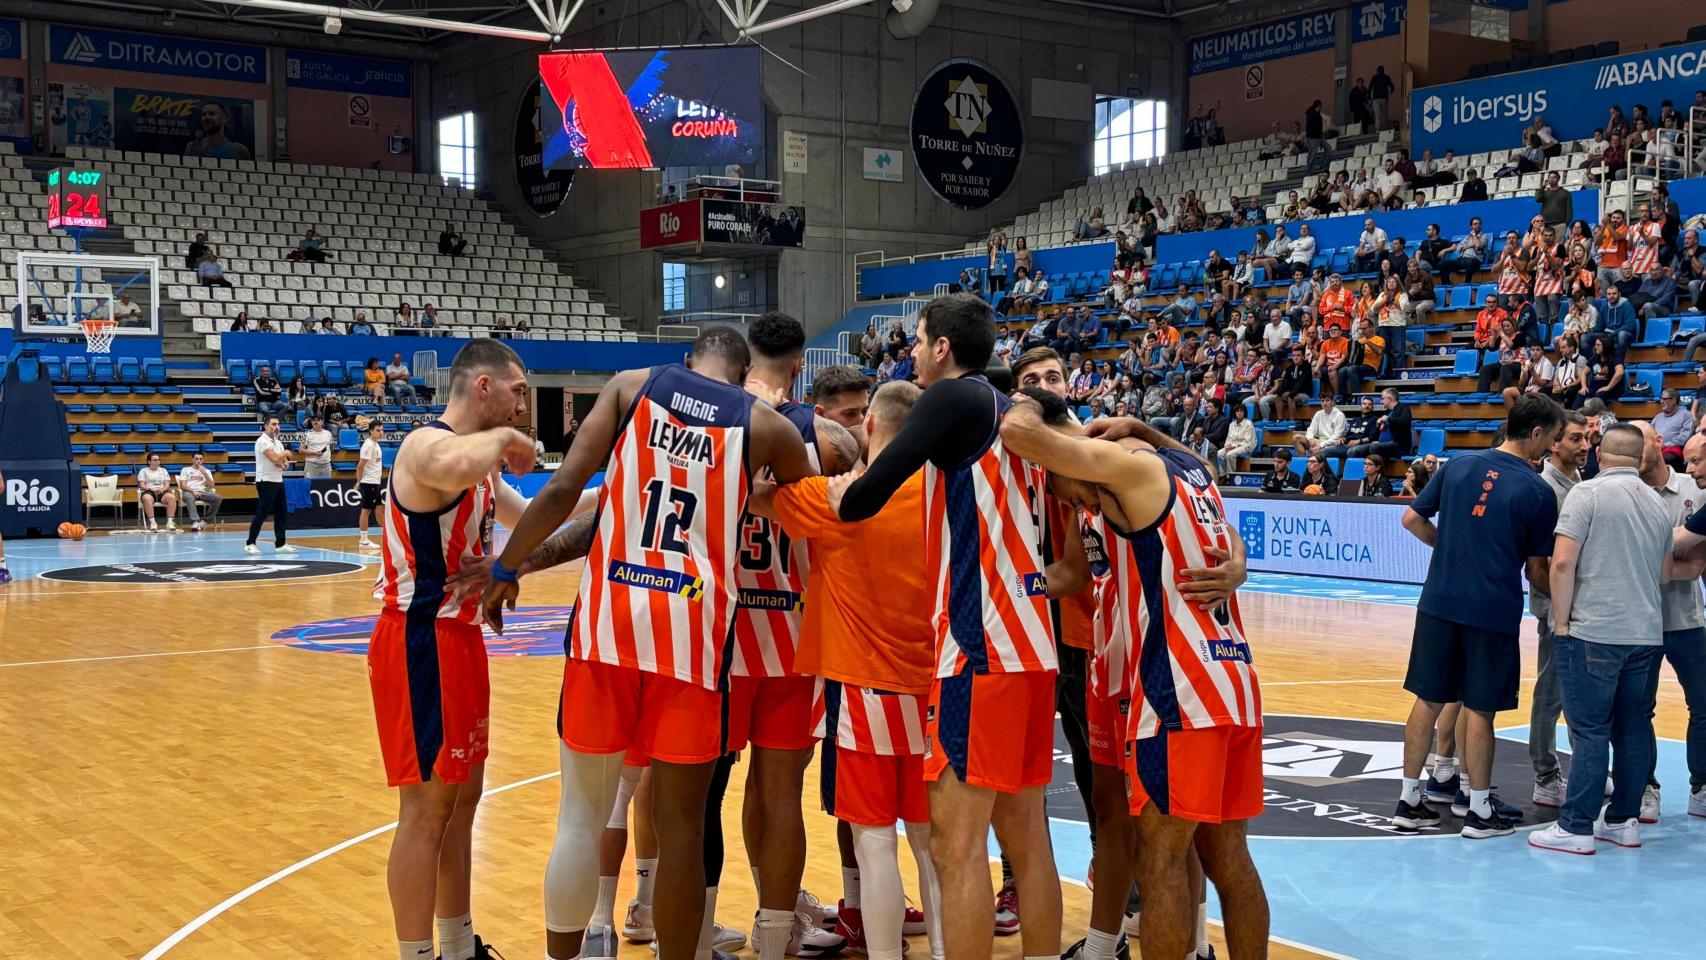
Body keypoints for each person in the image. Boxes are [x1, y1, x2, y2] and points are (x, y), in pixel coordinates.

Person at [479, 329, 815, 960]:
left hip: (607, 630)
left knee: (580, 815)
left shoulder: (632, 386)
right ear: (743, 374)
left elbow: (558, 492)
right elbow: (812, 505)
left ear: (687, 360)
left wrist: (506, 569)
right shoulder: (767, 426)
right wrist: (756, 493)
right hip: (694, 640)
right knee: (682, 827)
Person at [818, 295, 1062, 960]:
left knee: (956, 847)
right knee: (1028, 841)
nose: (913, 353)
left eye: (919, 342)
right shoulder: (1010, 406)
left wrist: (844, 488)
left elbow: (870, 493)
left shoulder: (953, 400)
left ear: (944, 349)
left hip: (980, 645)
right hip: (1032, 643)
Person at [1008, 404, 1268, 960]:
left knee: (1161, 858)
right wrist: (1142, 426)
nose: (1062, 498)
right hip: (1227, 674)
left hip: (1177, 685)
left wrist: (994, 397)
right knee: (1228, 856)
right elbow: (1201, 470)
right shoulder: (1179, 468)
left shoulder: (1125, 472)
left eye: (1059, 486)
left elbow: (1026, 432)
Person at [750, 379, 945, 960]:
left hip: (866, 691)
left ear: (871, 427)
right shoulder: (942, 493)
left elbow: (762, 494)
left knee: (875, 839)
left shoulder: (841, 496)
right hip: (937, 685)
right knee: (935, 843)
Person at [363, 340, 537, 960]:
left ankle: (459, 946)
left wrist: (619, 490)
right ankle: (417, 955)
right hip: (419, 642)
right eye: (517, 392)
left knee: (464, 802)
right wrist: (506, 443)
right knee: (426, 811)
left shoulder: (480, 466)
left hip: (461, 642)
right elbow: (449, 465)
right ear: (483, 387)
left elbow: (539, 514)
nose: (523, 406)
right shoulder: (424, 446)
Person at [1395, 397, 1564, 839]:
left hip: (1438, 602)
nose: (1551, 446)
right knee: (1480, 709)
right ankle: (1479, 810)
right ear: (1536, 434)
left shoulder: (1456, 466)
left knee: (1427, 700)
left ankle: (1409, 801)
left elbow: (1411, 518)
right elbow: (1536, 571)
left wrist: (1449, 547)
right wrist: (1570, 601)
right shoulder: (1537, 491)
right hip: (1491, 609)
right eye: (1552, 437)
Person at [1527, 424, 1679, 854]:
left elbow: (1561, 565)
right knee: (1633, 729)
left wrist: (1562, 622)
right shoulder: (1657, 503)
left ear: (1601, 453)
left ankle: (1576, 826)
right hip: (1645, 634)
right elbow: (1666, 574)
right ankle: (1624, 820)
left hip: (1594, 632)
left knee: (1590, 731)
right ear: (1637, 458)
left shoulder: (1586, 494)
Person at [246, 416, 296, 556]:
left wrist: (282, 459)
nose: (276, 427)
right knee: (263, 512)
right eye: (273, 424)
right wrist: (284, 455)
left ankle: (280, 544)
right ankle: (250, 543)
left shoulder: (278, 443)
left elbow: (284, 464)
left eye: (278, 424)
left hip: (278, 480)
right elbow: (275, 458)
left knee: (282, 512)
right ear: (266, 426)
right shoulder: (263, 441)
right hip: (266, 481)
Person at [185, 100, 252, 160]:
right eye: (204, 115)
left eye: (212, 113)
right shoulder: (192, 148)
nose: (206, 117)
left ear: (224, 119)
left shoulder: (240, 150)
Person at [356, 421, 386, 550]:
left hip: (375, 482)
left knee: (379, 509)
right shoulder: (369, 445)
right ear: (371, 431)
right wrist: (359, 481)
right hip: (369, 482)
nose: (381, 433)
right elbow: (360, 466)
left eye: (382, 430)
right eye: (378, 430)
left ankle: (388, 536)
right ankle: (363, 540)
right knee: (366, 510)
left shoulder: (375, 444)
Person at [177, 452, 222, 532]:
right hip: (189, 491)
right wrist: (193, 491)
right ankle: (195, 521)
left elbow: (211, 486)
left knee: (217, 498)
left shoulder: (207, 471)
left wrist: (205, 473)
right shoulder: (186, 470)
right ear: (192, 460)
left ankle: (204, 521)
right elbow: (183, 486)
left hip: (202, 492)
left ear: (203, 460)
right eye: (196, 459)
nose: (198, 461)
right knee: (189, 497)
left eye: (200, 459)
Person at [136, 453, 178, 533]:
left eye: (158, 460)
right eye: (155, 460)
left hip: (162, 491)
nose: (157, 462)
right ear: (149, 461)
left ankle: (169, 523)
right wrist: (150, 488)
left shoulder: (163, 470)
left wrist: (162, 489)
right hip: (149, 491)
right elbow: (142, 485)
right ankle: (153, 523)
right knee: (146, 498)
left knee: (172, 497)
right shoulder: (143, 471)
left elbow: (167, 484)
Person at [297, 415, 333, 480]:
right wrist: (314, 453)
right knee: (309, 487)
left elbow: (331, 446)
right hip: (311, 465)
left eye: (318, 420)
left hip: (326, 465)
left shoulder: (328, 433)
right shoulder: (307, 434)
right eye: (314, 420)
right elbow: (301, 450)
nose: (316, 422)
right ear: (311, 422)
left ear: (322, 422)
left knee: (327, 488)